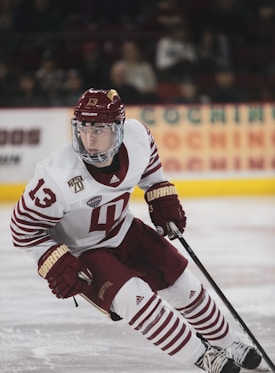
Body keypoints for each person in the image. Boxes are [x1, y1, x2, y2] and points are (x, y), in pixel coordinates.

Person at [10, 88, 261, 373]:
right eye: (83, 129)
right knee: (135, 298)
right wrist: (54, 261)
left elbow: (150, 165)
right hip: (86, 251)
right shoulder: (56, 177)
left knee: (183, 284)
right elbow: (22, 228)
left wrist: (159, 190)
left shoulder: (137, 136)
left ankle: (228, 341)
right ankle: (203, 356)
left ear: (117, 130)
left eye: (100, 130)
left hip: (125, 230)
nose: (89, 139)